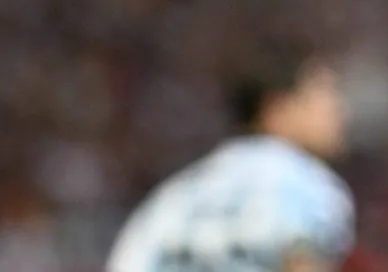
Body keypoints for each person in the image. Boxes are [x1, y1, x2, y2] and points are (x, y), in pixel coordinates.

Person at [107, 41, 356, 272]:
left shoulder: (177, 192)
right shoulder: (304, 182)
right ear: (277, 108)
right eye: (324, 93)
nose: (338, 109)